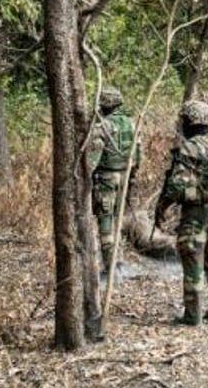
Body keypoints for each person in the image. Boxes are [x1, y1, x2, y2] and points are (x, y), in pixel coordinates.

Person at [154, 100, 208, 325]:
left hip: (195, 213)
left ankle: (193, 316)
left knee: (192, 259)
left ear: (189, 121)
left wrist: (162, 207)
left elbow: (175, 186)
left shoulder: (188, 147)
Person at [87, 86, 141, 277]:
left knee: (106, 222)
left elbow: (92, 159)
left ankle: (110, 268)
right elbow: (138, 153)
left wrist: (84, 177)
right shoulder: (131, 123)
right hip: (125, 177)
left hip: (106, 179)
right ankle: (119, 261)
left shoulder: (103, 126)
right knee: (118, 220)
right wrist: (132, 175)